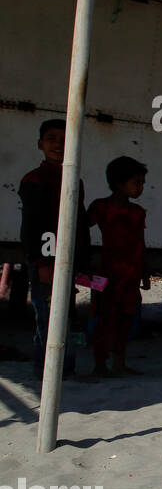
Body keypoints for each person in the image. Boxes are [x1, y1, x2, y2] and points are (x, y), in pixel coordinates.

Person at [19, 118, 90, 378]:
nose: (58, 145)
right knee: (47, 319)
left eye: (64, 140)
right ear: (40, 144)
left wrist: (82, 259)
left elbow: (79, 223)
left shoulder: (74, 179)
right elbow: (34, 228)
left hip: (67, 260)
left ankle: (64, 369)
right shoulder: (35, 180)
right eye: (51, 139)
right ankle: (46, 371)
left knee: (64, 317)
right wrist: (42, 262)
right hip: (46, 262)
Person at [87, 156, 148, 376]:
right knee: (104, 317)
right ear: (119, 183)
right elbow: (81, 230)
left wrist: (145, 273)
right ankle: (100, 364)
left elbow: (141, 243)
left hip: (130, 272)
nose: (141, 188)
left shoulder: (137, 212)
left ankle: (118, 362)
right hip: (108, 270)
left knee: (125, 318)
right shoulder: (102, 207)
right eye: (137, 182)